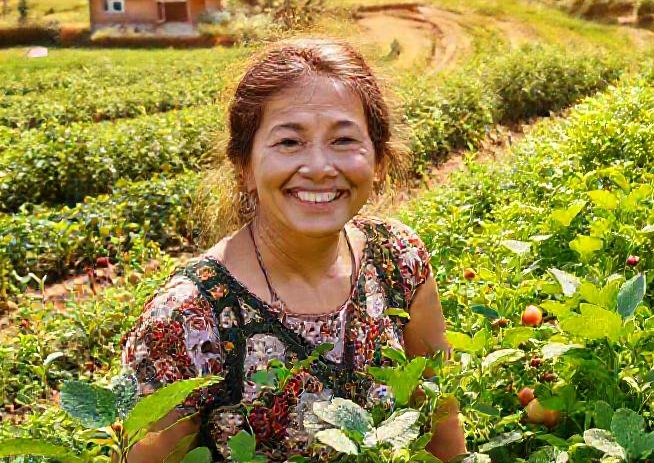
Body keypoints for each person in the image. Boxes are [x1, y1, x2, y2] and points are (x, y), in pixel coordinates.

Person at [121, 39, 466, 462]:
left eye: (343, 140)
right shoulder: (189, 318)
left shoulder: (398, 259)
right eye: (289, 142)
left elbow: (440, 413)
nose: (320, 167)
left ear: (378, 162)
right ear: (245, 166)